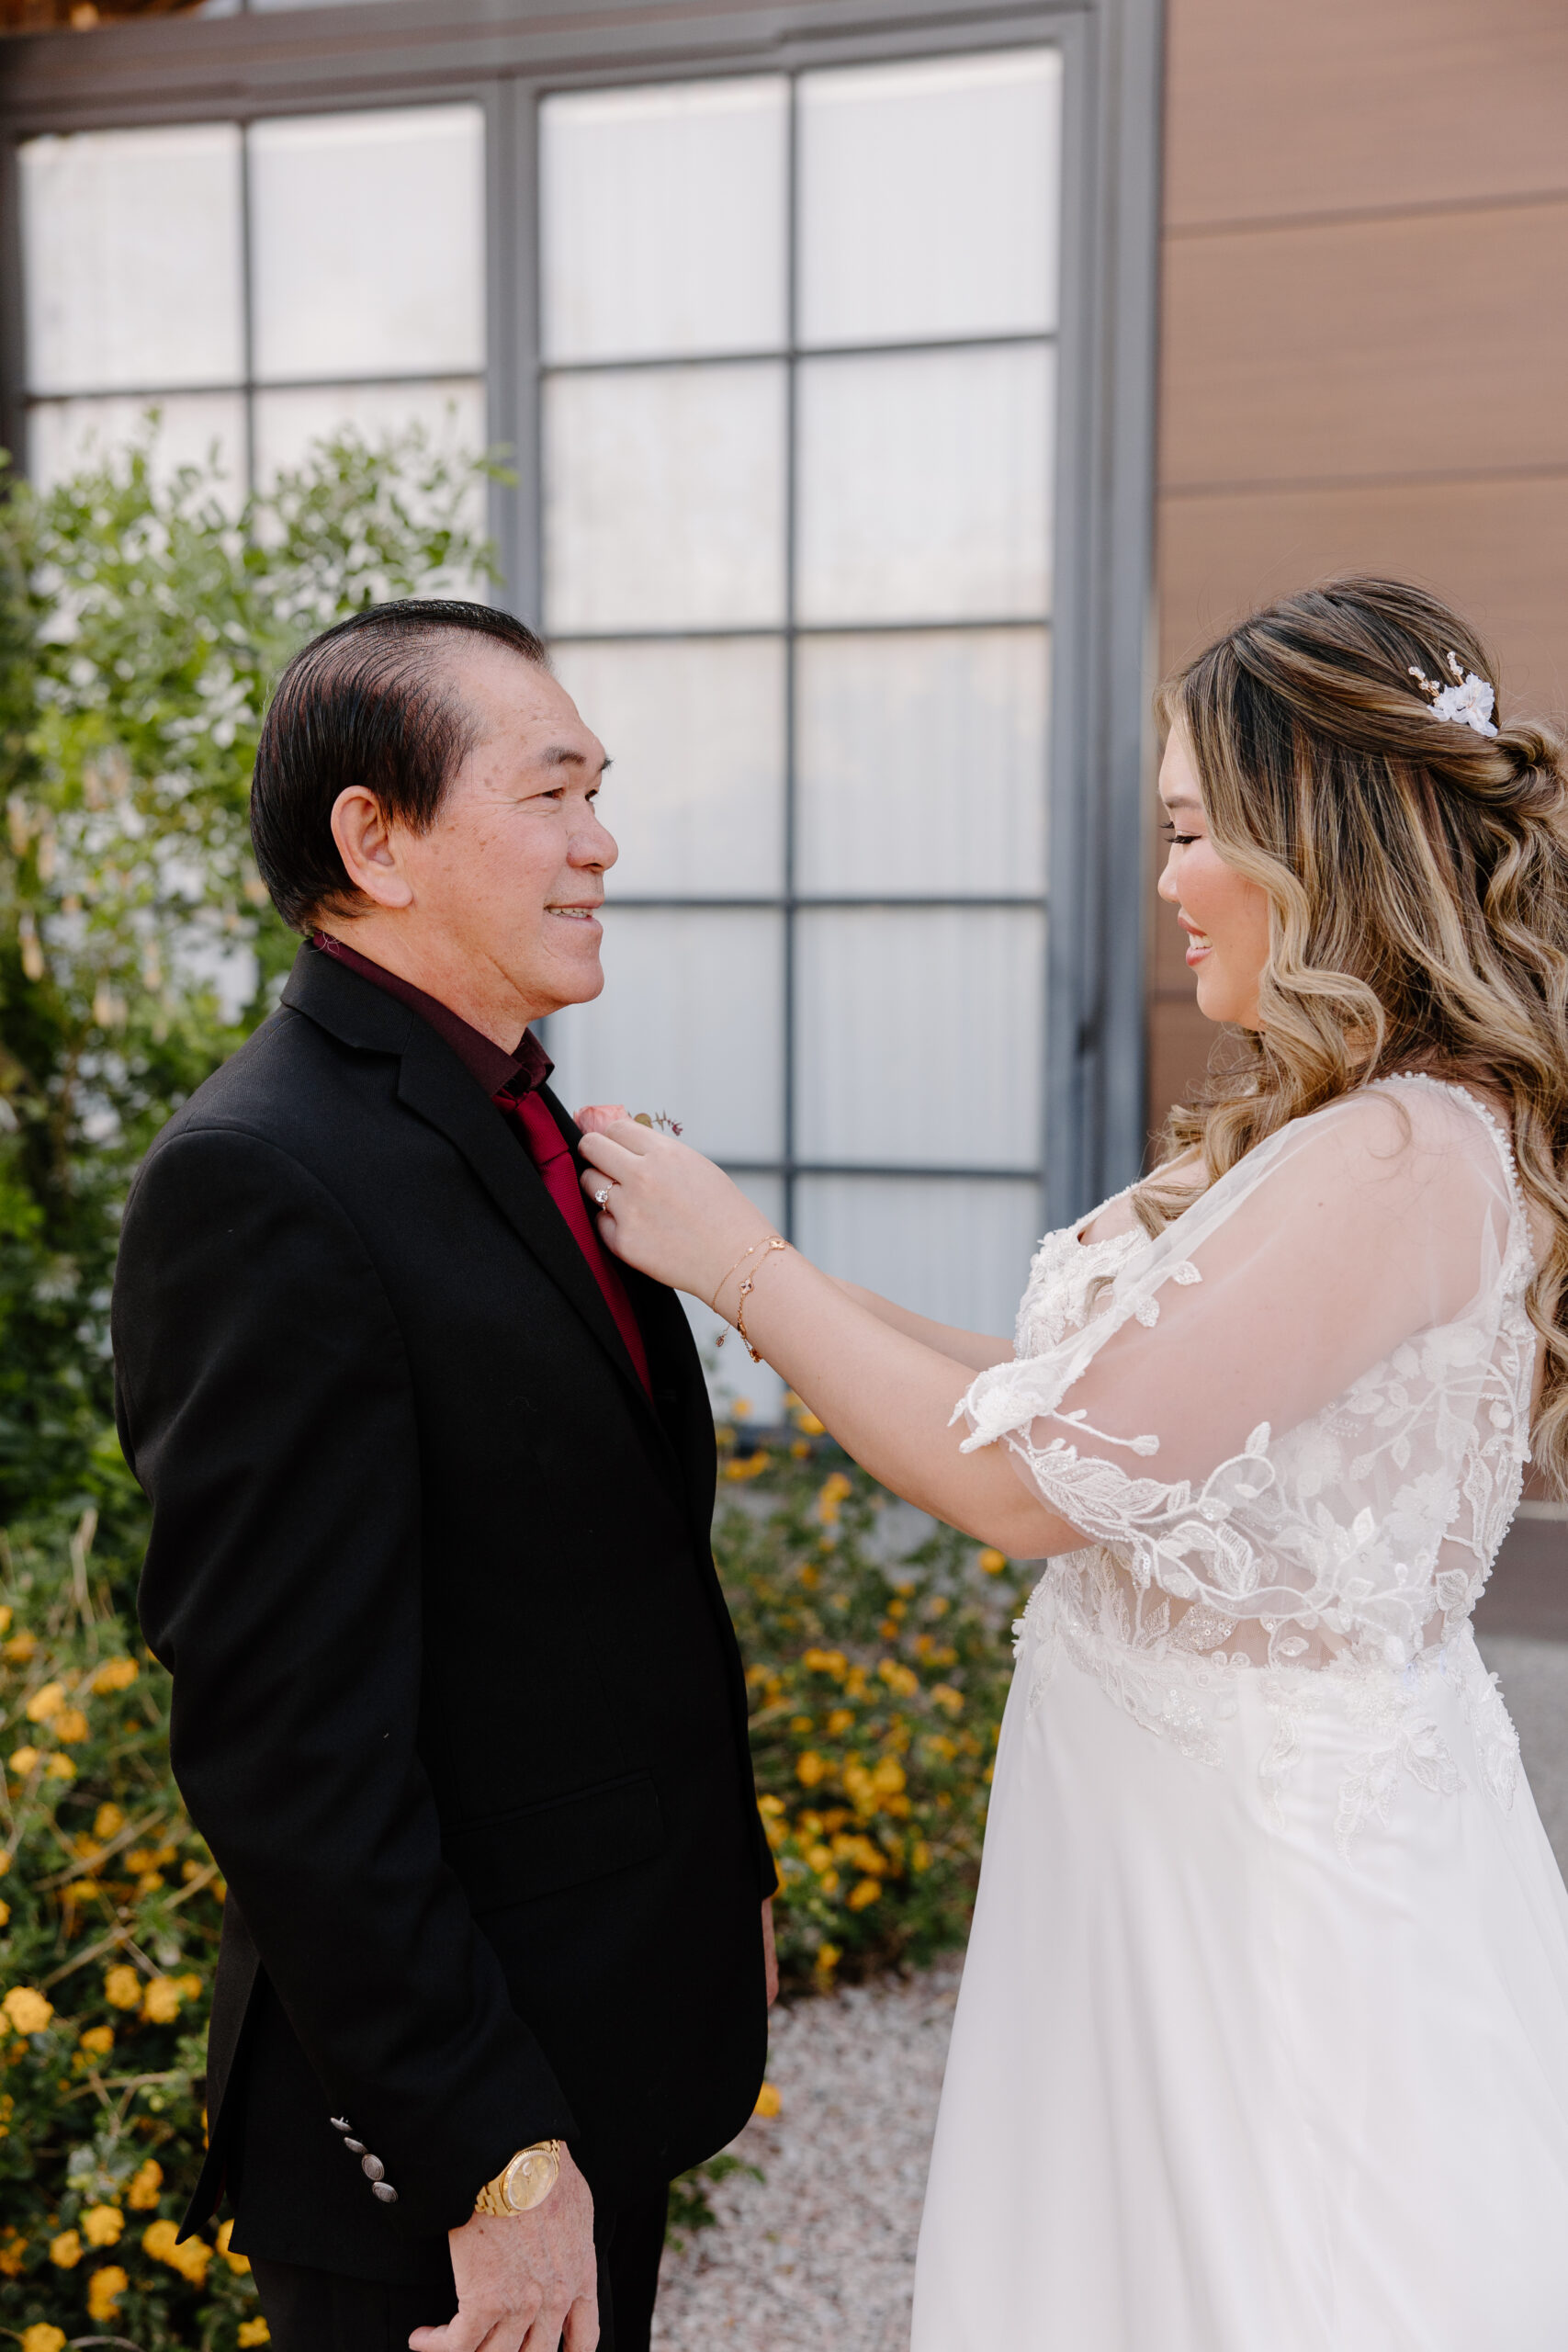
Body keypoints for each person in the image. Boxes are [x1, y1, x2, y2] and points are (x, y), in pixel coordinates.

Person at [571, 576, 1568, 2347]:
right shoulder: (1339, 1122)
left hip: (1266, 1885)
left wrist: (741, 1268)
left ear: (1311, 835)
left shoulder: (1403, 1155)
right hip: (1166, 1845)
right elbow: (1067, 1397)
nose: (1166, 879)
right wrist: (755, 1269)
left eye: (1189, 831)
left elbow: (1031, 1486)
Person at [111, 600, 777, 2352]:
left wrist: (732, 1885)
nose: (600, 841)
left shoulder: (522, 1116)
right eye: (551, 794)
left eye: (597, 791)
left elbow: (615, 1578)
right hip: (444, 2136)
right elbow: (287, 1746)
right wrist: (492, 2155)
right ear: (375, 842)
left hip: (600, 2030)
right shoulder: (259, 1178)